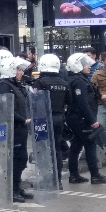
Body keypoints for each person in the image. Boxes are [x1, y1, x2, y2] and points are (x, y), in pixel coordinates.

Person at [64, 53, 106, 185]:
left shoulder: (76, 79)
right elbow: (83, 103)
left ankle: (74, 175)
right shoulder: (79, 81)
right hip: (82, 118)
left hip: (76, 117)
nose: (88, 66)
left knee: (76, 146)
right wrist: (92, 120)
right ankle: (95, 176)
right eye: (85, 64)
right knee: (90, 146)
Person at [0, 56, 35, 202]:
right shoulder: (4, 85)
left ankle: (16, 186)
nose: (21, 72)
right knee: (16, 159)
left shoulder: (17, 85)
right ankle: (12, 189)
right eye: (18, 69)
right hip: (12, 128)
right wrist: (23, 119)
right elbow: (6, 108)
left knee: (21, 158)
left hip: (20, 128)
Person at [33, 54, 70, 183]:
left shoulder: (40, 82)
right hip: (59, 118)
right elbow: (69, 101)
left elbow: (35, 101)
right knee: (57, 149)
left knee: (43, 148)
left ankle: (46, 178)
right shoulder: (64, 83)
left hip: (43, 119)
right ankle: (57, 179)